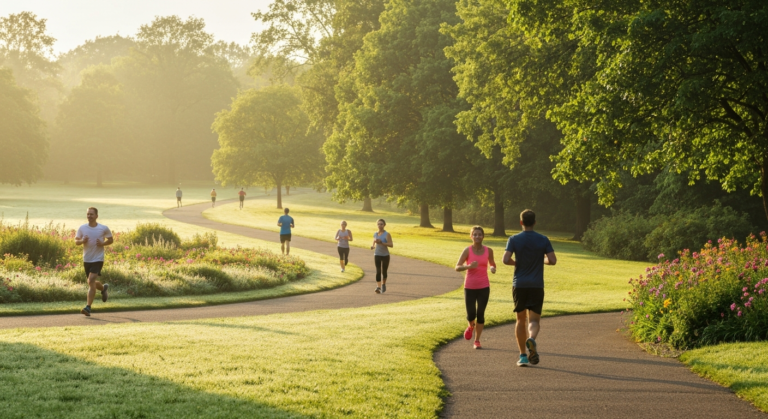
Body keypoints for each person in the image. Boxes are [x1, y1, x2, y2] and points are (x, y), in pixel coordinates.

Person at [503, 209, 557, 367]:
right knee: (534, 320)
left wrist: (517, 263)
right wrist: (542, 261)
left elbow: (505, 259)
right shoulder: (543, 239)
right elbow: (552, 260)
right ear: (534, 222)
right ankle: (532, 338)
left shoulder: (514, 239)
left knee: (520, 320)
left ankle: (523, 356)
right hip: (536, 285)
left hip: (519, 284)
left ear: (521, 222)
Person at [455, 226, 496, 349]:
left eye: (479, 234)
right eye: (475, 234)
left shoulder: (489, 250)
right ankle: (470, 326)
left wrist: (492, 268)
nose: (477, 236)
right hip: (470, 286)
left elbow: (492, 263)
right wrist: (468, 267)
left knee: (481, 313)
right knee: (471, 314)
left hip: (484, 286)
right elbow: (457, 267)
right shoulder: (467, 250)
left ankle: (477, 340)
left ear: (483, 236)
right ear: (471, 236)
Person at [75, 207, 113, 316]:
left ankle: (88, 307)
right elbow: (76, 241)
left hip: (98, 259)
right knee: (91, 282)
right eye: (88, 214)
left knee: (91, 279)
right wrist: (82, 241)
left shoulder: (103, 228)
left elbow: (111, 239)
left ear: (96, 216)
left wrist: (103, 243)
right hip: (87, 259)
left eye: (91, 214)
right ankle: (103, 288)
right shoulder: (82, 228)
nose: (89, 216)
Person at [370, 219, 393, 294]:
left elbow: (391, 245)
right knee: (378, 271)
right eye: (378, 224)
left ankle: (383, 284)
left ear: (384, 225)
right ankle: (378, 287)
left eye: (381, 224)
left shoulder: (387, 234)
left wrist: (382, 242)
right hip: (377, 254)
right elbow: (374, 240)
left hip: (385, 255)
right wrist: (373, 246)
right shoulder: (375, 233)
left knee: (384, 271)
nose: (380, 226)